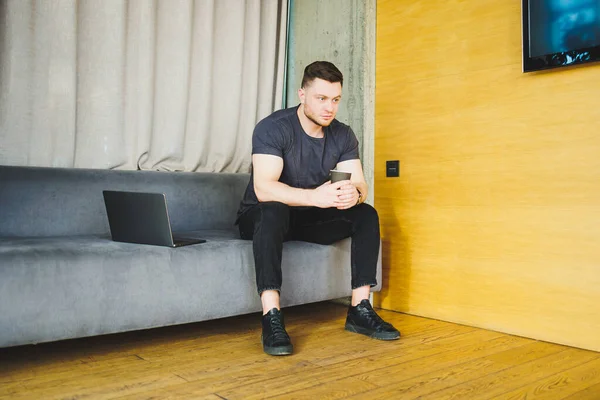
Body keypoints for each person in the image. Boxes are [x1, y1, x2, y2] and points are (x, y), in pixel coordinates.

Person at [236, 61, 400, 356]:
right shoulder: (273, 128)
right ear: (302, 95)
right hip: (262, 216)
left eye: (335, 99)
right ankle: (272, 317)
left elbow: (361, 184)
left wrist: (355, 195)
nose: (329, 108)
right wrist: (316, 197)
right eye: (321, 99)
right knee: (274, 209)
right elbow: (264, 188)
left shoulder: (343, 135)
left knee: (366, 214)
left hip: (308, 218)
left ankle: (359, 310)